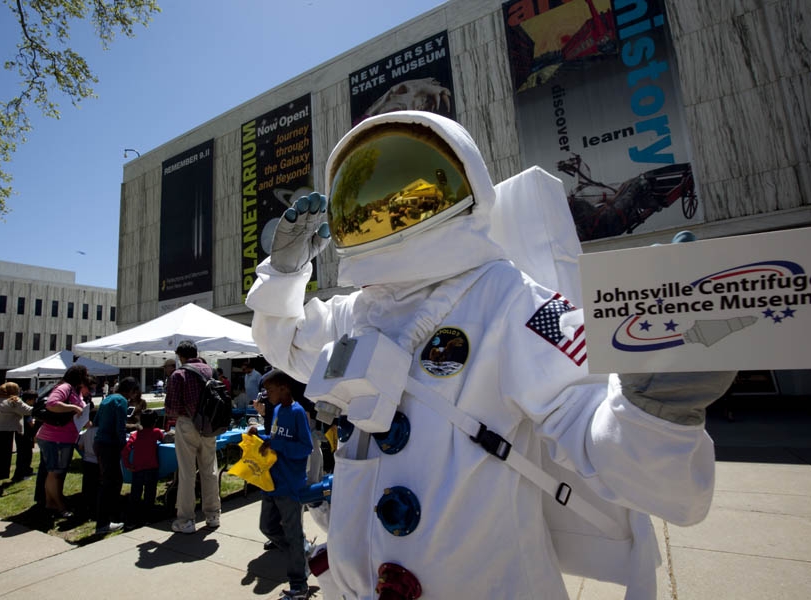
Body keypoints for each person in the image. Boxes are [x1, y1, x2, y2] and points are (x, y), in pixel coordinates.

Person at [245, 110, 736, 598]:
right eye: (369, 203)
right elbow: (285, 345)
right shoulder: (357, 311)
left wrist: (658, 414)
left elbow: (590, 428)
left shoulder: (512, 299)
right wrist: (285, 271)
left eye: (408, 198)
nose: (386, 214)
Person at [248, 369, 313, 600]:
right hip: (271, 481)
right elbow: (276, 439)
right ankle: (302, 552)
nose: (267, 394)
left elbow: (306, 448)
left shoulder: (296, 412)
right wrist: (261, 438)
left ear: (284, 388)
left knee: (293, 534)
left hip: (289, 484)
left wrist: (277, 446)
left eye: (270, 390)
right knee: (267, 527)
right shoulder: (276, 410)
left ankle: (299, 586)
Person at [165, 339, 220, 534]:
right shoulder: (210, 371)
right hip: (210, 424)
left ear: (180, 356)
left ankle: (186, 519)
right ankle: (213, 515)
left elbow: (170, 408)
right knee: (210, 469)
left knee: (187, 472)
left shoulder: (179, 374)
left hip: (187, 423)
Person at [34, 365, 88, 518]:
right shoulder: (65, 387)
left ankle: (51, 501)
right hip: (54, 437)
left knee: (56, 473)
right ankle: (58, 505)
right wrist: (73, 407)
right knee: (54, 473)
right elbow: (52, 403)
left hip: (65, 437)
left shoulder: (75, 390)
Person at [93, 376, 141, 534]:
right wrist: (125, 446)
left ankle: (107, 518)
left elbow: (97, 421)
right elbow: (119, 427)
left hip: (100, 442)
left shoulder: (108, 399)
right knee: (111, 483)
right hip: (110, 445)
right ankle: (103, 523)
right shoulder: (121, 401)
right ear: (132, 391)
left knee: (110, 481)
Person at [122, 409, 165, 528]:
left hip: (137, 468)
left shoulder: (135, 435)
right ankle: (147, 518)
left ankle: (131, 520)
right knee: (149, 494)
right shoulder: (156, 432)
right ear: (155, 421)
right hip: (152, 468)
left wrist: (127, 465)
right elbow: (163, 438)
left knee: (135, 495)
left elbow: (126, 450)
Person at [77, 405, 100, 518]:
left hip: (87, 461)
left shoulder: (85, 432)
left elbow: (80, 447)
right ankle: (95, 505)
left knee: (87, 484)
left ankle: (86, 504)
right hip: (97, 462)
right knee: (97, 485)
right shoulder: (100, 432)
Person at [12, 389, 39, 481]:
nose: (35, 402)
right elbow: (31, 423)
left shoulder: (22, 407)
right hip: (23, 435)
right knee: (23, 455)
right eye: (34, 399)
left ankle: (27, 470)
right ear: (28, 400)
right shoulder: (25, 409)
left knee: (27, 454)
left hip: (24, 434)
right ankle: (19, 475)